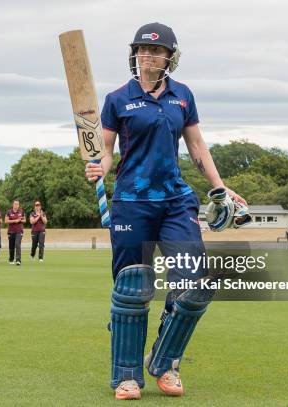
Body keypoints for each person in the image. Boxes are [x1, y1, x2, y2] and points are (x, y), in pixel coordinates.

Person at [84, 23, 247, 399]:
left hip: (175, 200)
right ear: (134, 54)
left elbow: (197, 147)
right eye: (142, 49)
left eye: (156, 51)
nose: (149, 55)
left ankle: (165, 362)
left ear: (170, 57)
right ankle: (126, 376)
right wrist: (98, 168)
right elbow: (106, 151)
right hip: (131, 202)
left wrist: (219, 187)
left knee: (195, 283)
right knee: (132, 287)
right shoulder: (117, 99)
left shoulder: (182, 96)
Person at [5, 199, 26, 266]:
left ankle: (18, 260)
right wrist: (15, 221)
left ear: (19, 205)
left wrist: (20, 220)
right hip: (11, 231)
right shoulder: (9, 211)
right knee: (11, 246)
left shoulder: (21, 211)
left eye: (17, 204)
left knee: (17, 244)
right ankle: (11, 259)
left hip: (19, 231)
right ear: (13, 204)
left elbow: (25, 220)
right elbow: (6, 221)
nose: (16, 205)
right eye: (15, 204)